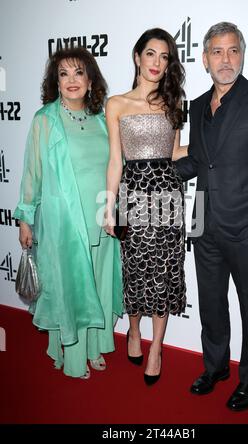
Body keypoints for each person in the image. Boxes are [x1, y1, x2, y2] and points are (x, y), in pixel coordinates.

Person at [176, 22, 248, 410]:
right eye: (217, 52)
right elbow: (197, 162)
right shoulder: (195, 106)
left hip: (246, 226)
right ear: (205, 58)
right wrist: (152, 172)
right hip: (203, 220)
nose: (226, 60)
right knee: (210, 303)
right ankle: (216, 367)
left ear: (242, 54)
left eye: (233, 51)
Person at [14, 47, 123, 379]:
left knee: (100, 284)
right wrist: (24, 217)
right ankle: (74, 357)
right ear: (55, 82)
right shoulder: (44, 120)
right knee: (72, 288)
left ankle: (95, 346)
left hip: (102, 218)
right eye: (64, 74)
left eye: (79, 73)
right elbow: (32, 172)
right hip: (63, 224)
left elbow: (116, 167)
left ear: (90, 80)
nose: (72, 80)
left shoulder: (104, 119)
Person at [104, 28, 187, 385]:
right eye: (150, 54)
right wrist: (110, 208)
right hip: (132, 197)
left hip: (168, 197)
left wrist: (214, 149)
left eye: (164, 56)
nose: (156, 63)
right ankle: (134, 332)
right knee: (136, 270)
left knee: (164, 273)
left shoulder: (174, 103)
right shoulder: (117, 104)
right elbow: (115, 161)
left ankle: (156, 348)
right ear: (137, 57)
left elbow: (173, 155)